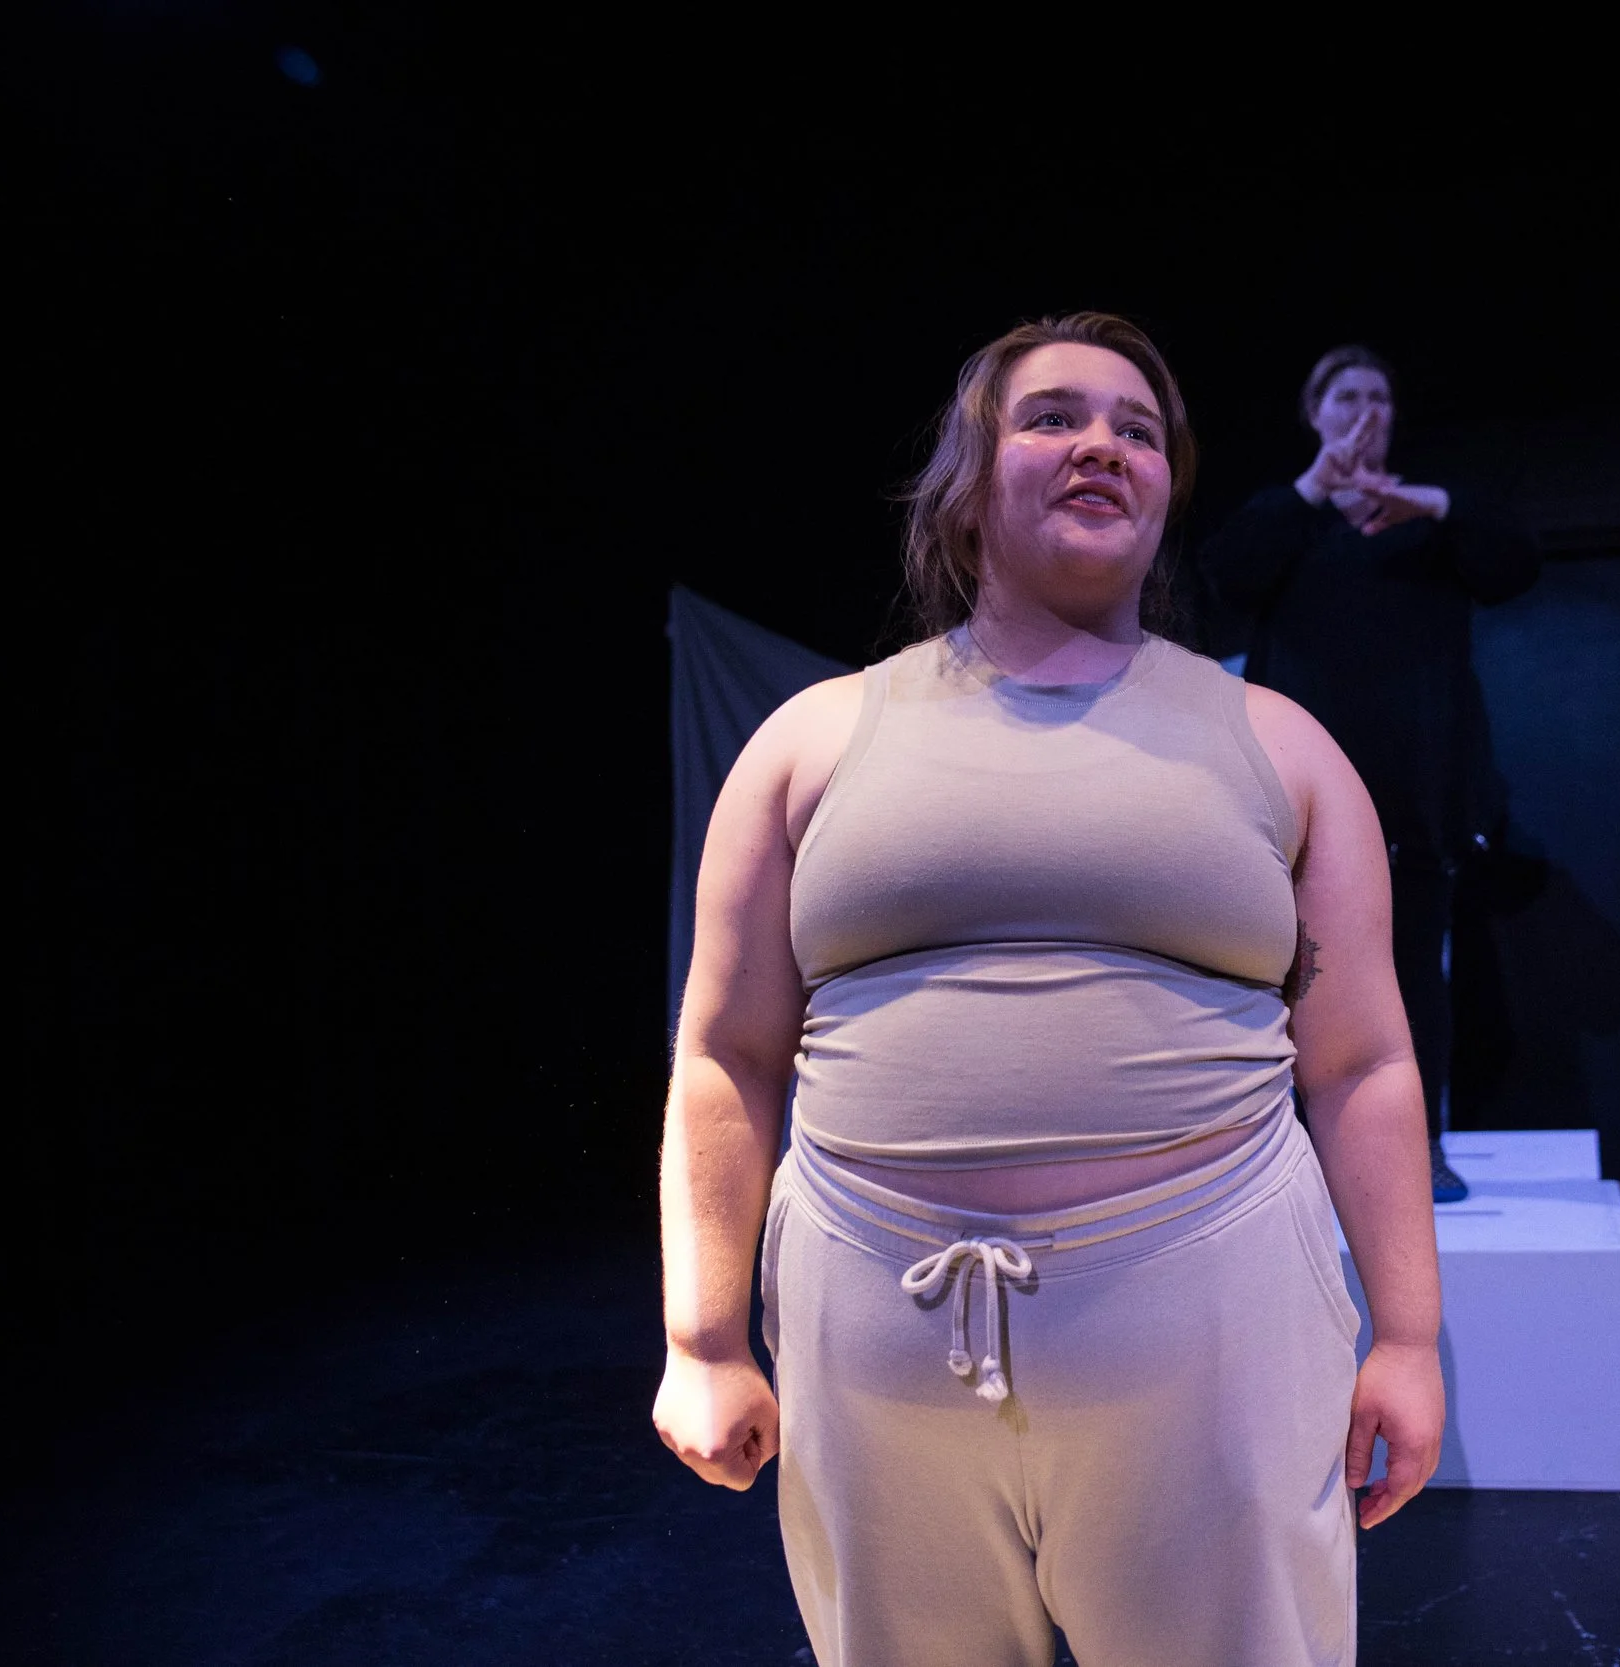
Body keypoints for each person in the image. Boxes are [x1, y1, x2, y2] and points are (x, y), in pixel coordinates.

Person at [652, 313, 1444, 1667]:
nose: (1103, 445)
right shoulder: (811, 740)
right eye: (1054, 417)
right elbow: (724, 1053)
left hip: (1215, 1324)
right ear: (966, 484)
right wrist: (703, 1335)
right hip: (875, 1330)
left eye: (1137, 429)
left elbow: (1362, 1061)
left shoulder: (1284, 747)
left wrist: (1411, 1336)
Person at [1198, 347, 1540, 1203]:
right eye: (1347, 396)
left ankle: (1418, 1149)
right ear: (1315, 413)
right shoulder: (1291, 519)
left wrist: (1436, 504)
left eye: (1380, 397)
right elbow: (1226, 575)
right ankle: (1288, 1160)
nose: (1366, 410)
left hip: (1414, 793)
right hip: (1295, 799)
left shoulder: (1427, 527)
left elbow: (1515, 563)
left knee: (1416, 971)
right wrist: (1316, 486)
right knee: (1288, 977)